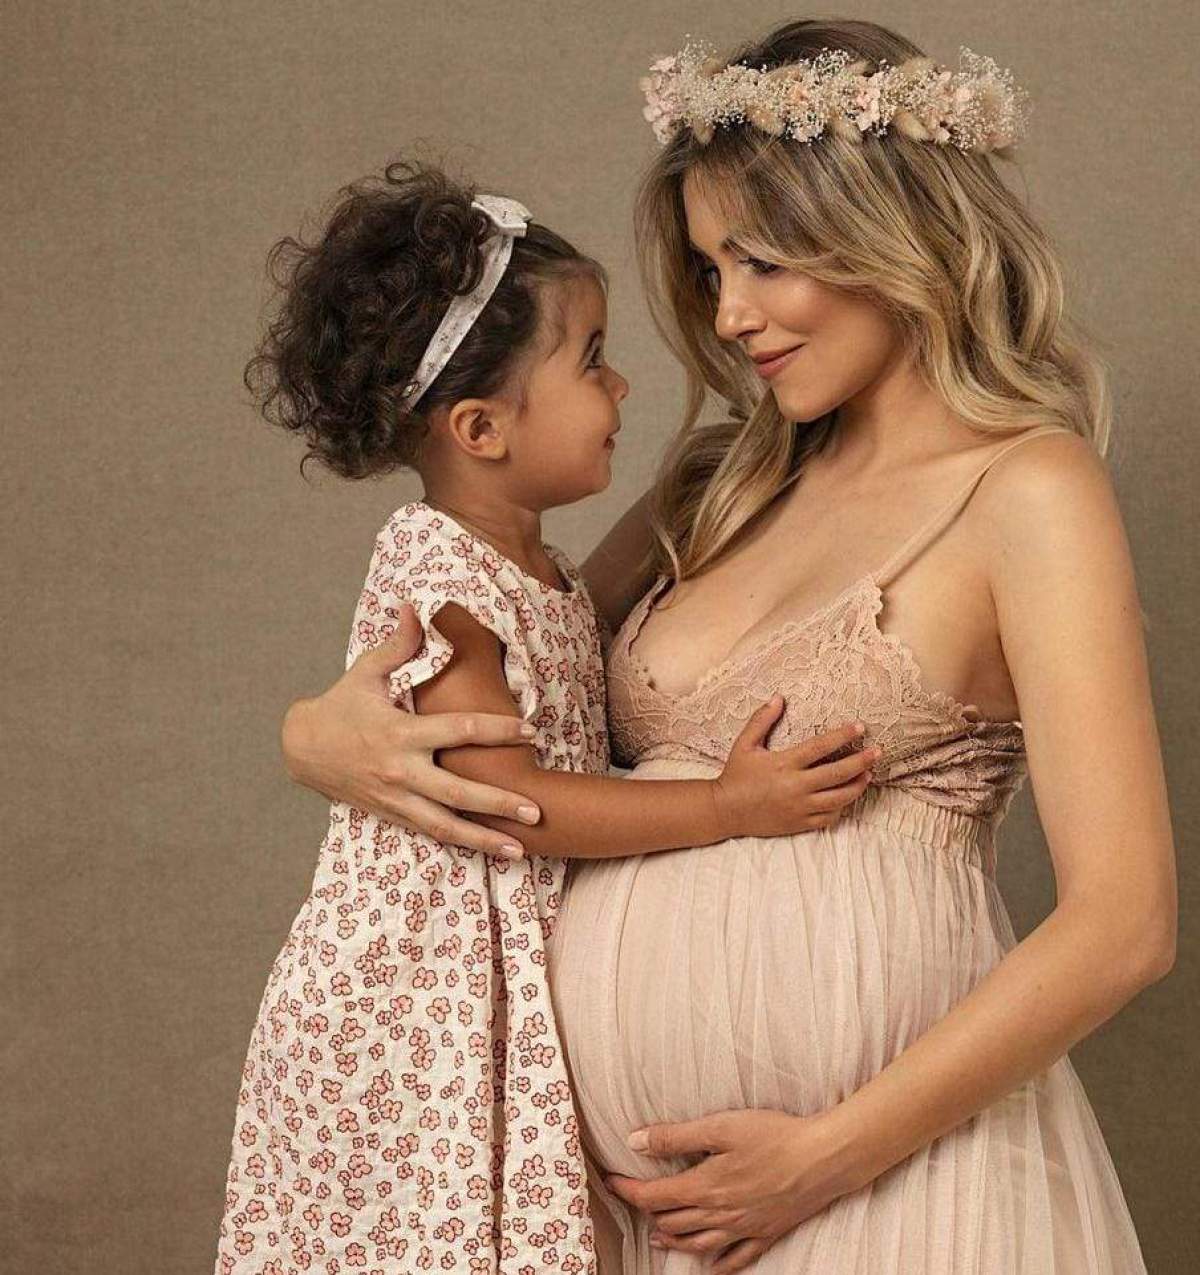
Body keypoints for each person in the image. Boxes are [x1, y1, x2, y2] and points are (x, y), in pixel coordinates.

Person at [276, 20, 1178, 1274]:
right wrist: (312, 737)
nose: (730, 315)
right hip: (656, 1226)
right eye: (709, 271)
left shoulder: (1028, 489)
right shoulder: (721, 483)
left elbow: (1125, 924)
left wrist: (828, 1155)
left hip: (901, 1188)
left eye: (760, 261)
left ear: (888, 232)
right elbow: (500, 668)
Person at [214, 159, 876, 1274]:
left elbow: (594, 622)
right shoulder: (443, 576)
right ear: (482, 427)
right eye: (593, 361)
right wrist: (728, 806)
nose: (621, 387)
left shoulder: (537, 572)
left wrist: (719, 467)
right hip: (416, 1013)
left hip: (483, 991)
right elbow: (513, 802)